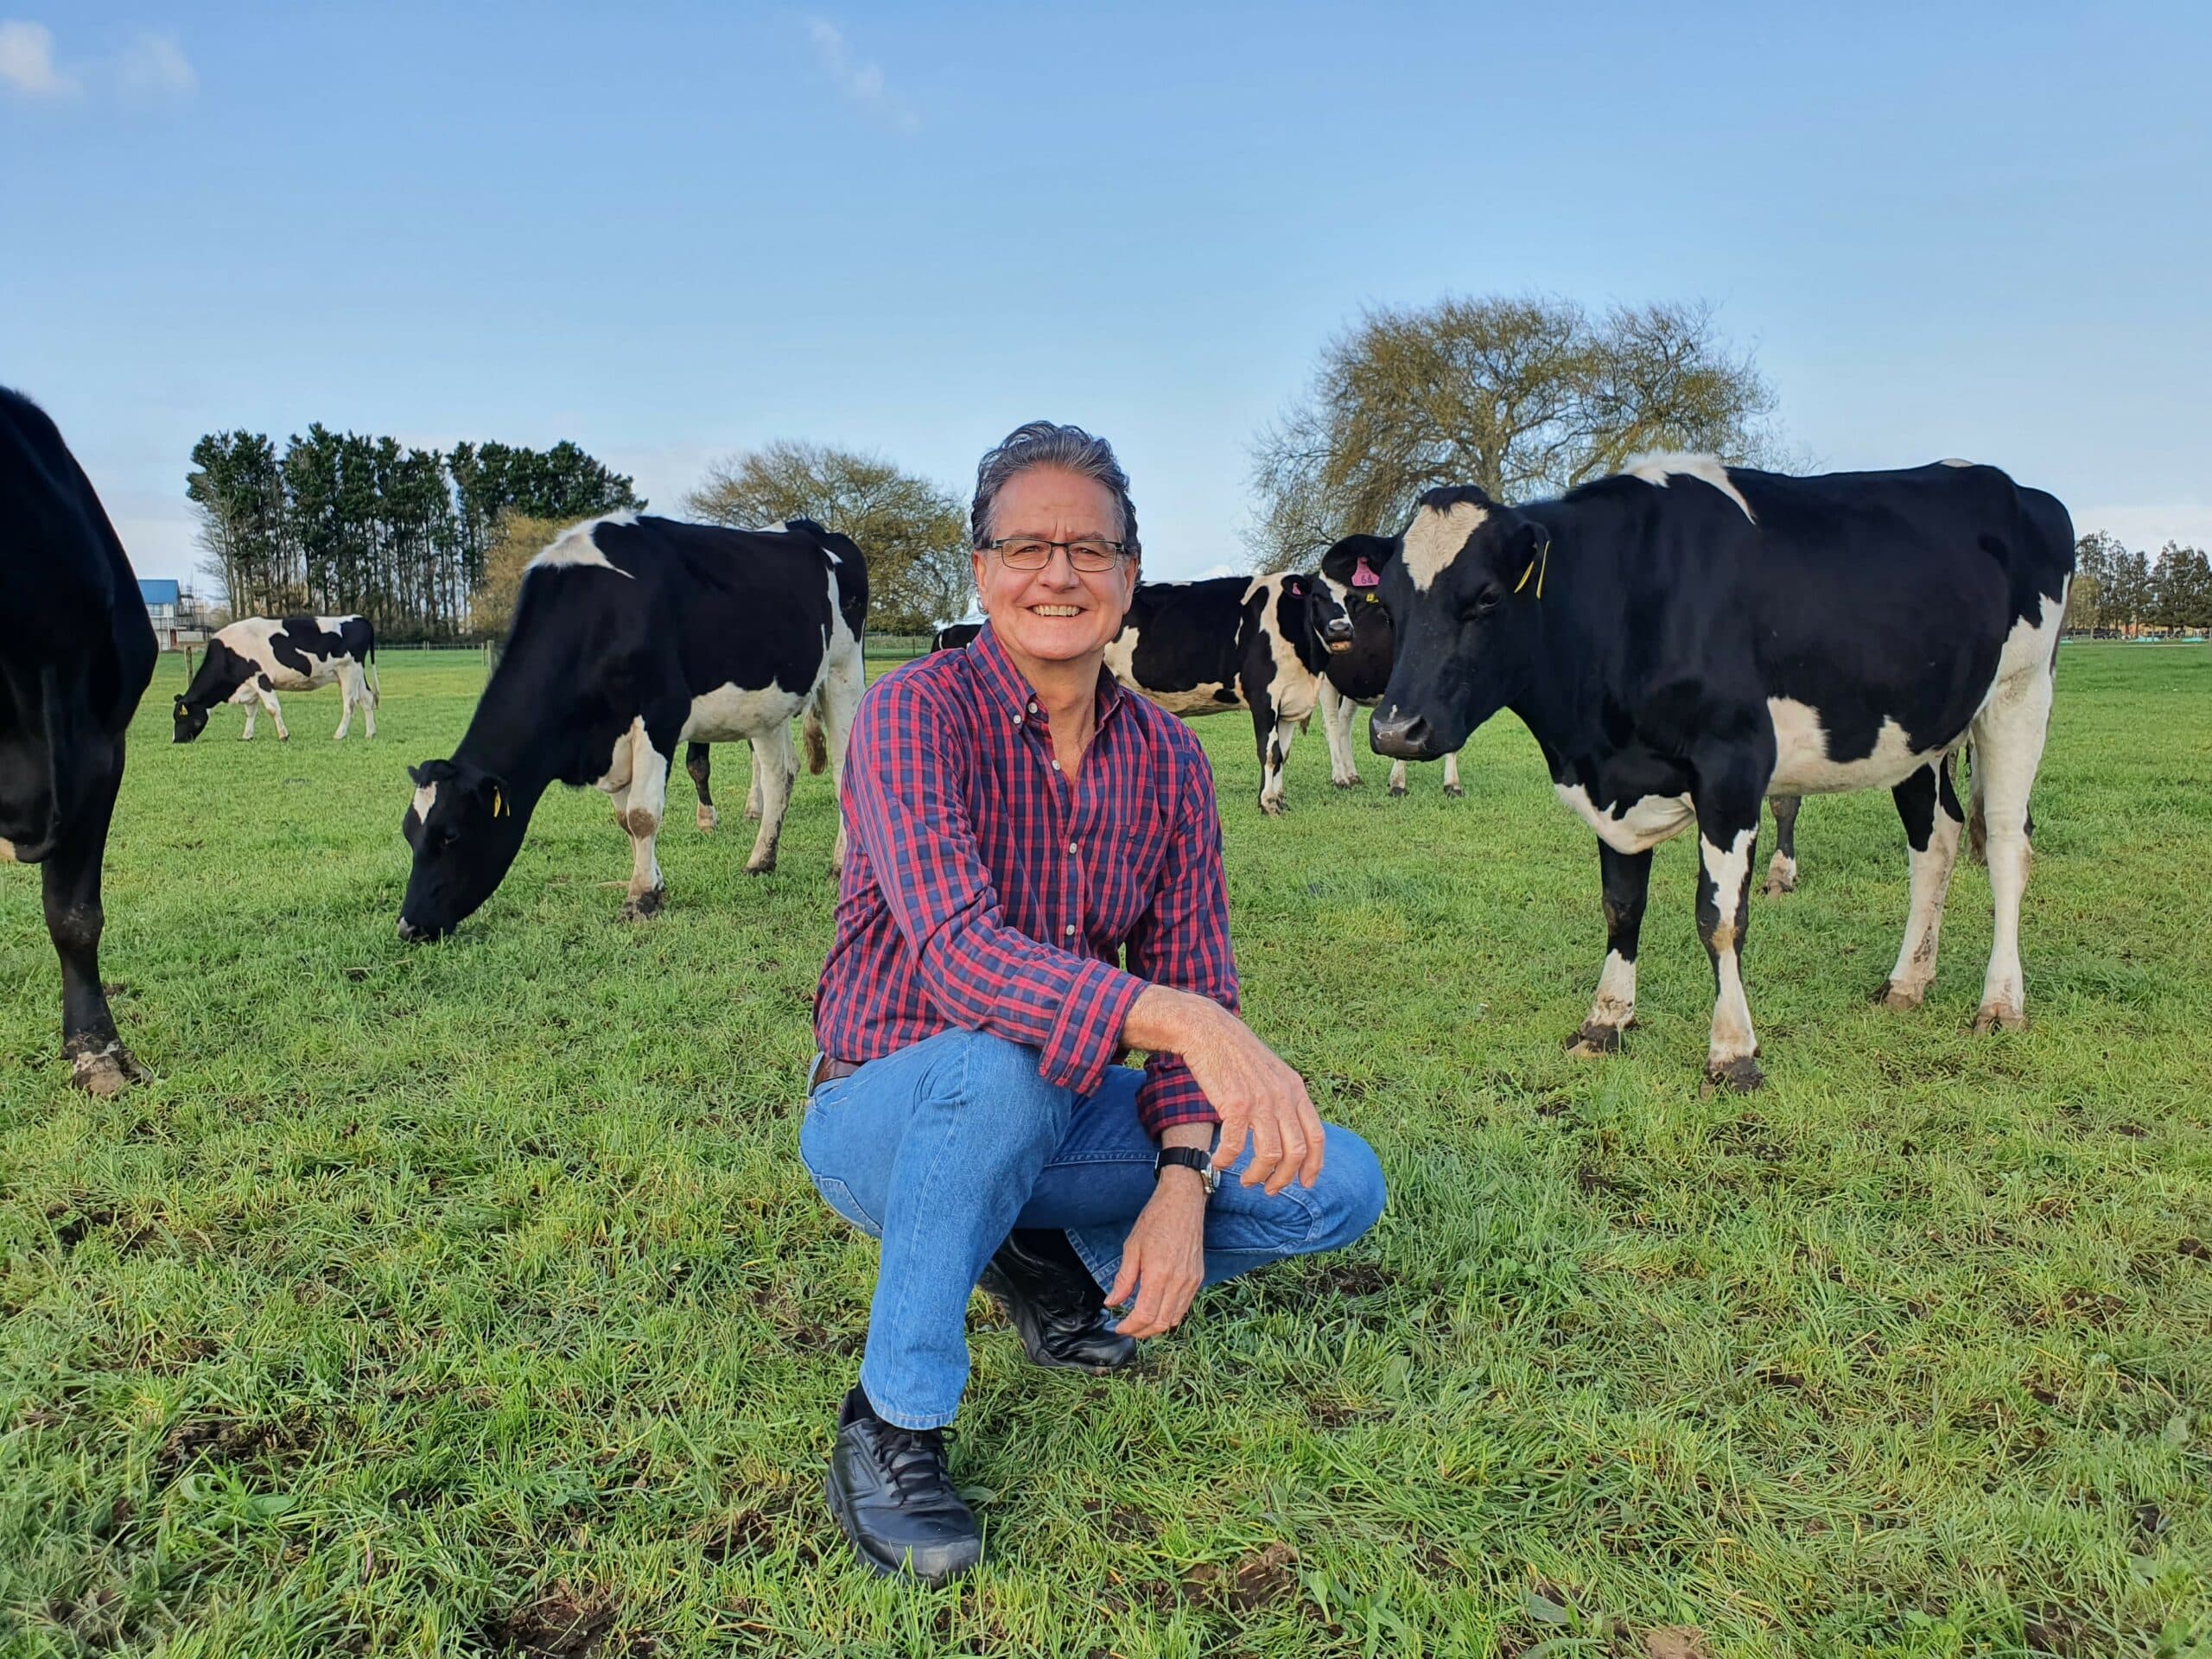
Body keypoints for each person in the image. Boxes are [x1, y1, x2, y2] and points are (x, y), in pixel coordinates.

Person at [802, 420, 1387, 1583]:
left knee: (1338, 1186)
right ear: (981, 570)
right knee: (1003, 1064)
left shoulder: (1168, 761)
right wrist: (1188, 1026)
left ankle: (1032, 1250)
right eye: (1026, 545)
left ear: (1129, 578)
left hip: (1055, 1112)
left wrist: (1183, 1177)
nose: (1057, 572)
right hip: (886, 1112)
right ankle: (892, 1420)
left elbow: (1194, 969)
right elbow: (966, 957)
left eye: (1090, 548)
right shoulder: (915, 717)